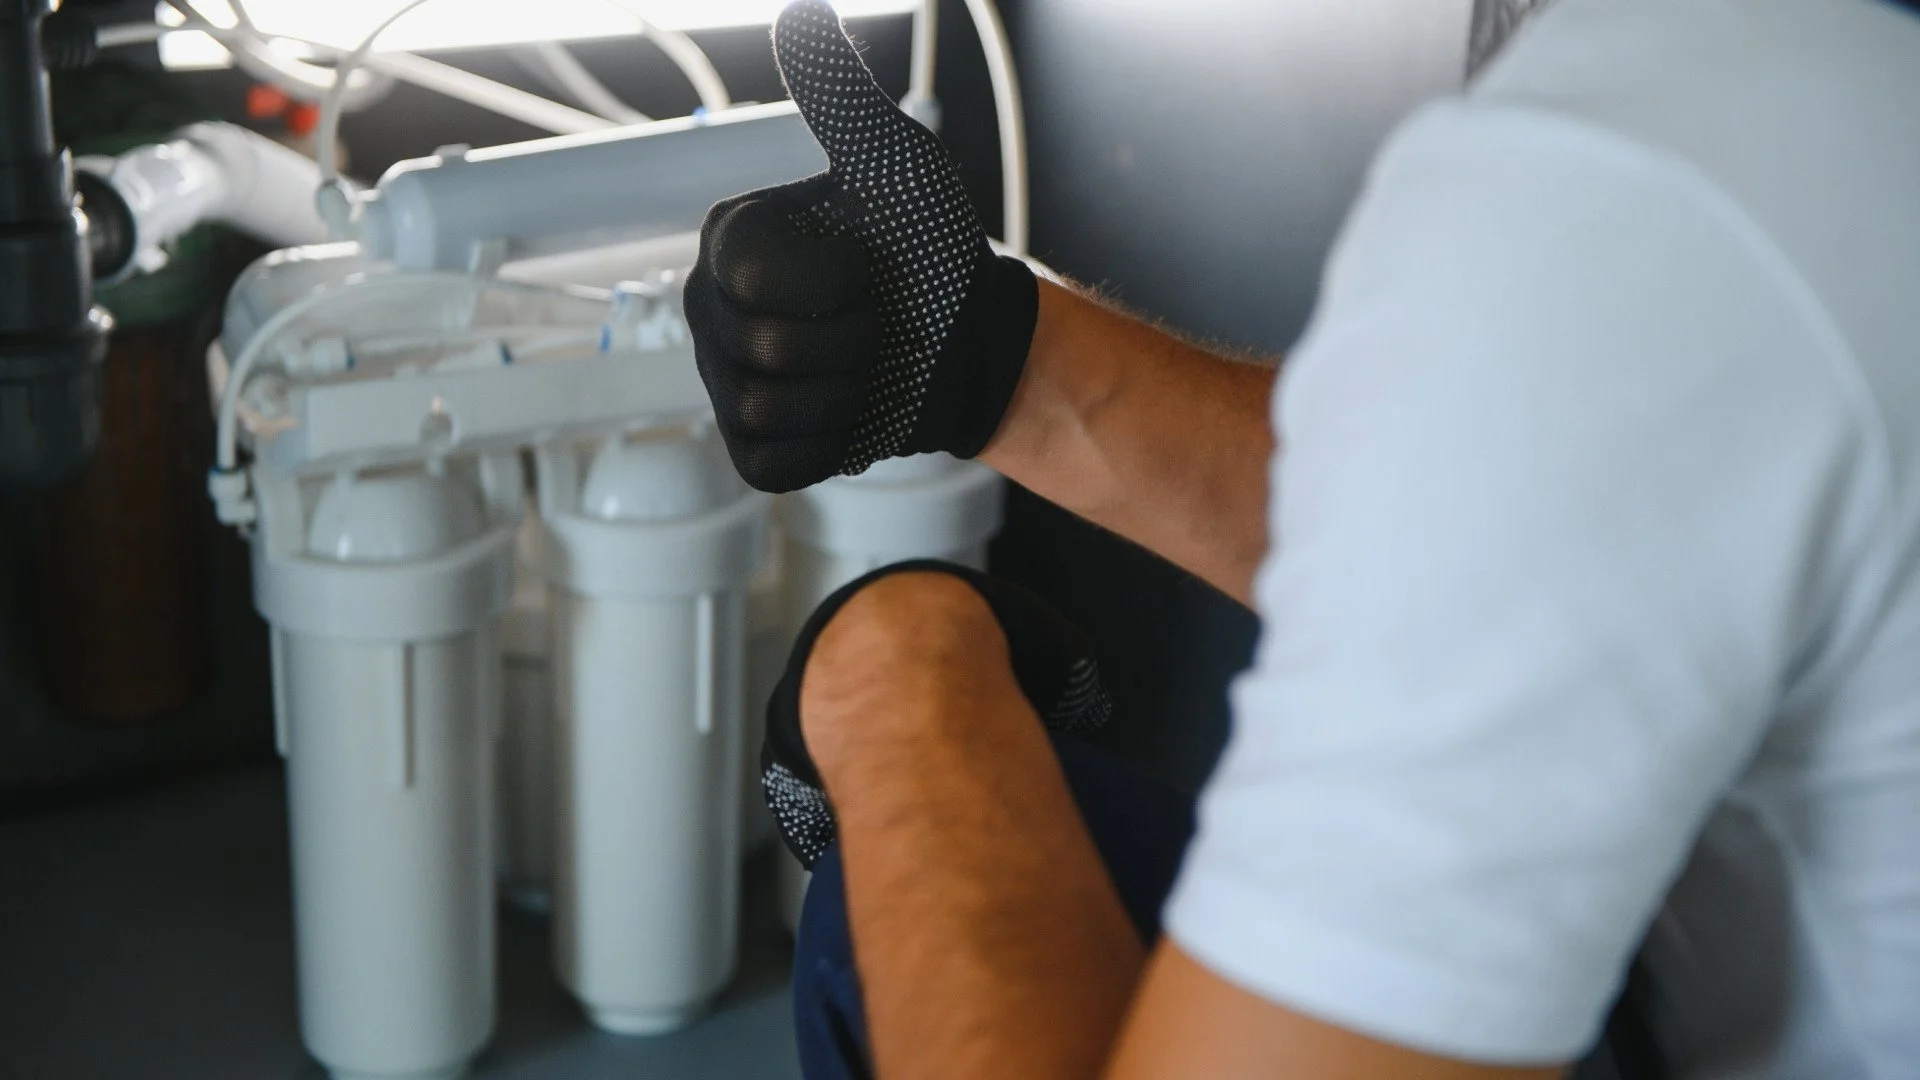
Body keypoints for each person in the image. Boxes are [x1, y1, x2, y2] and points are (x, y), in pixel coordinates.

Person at [682, 0, 1920, 1077]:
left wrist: (900, 680)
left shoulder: (1655, 165)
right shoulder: (1809, 95)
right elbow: (1551, 513)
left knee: (893, 893)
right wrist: (998, 357)